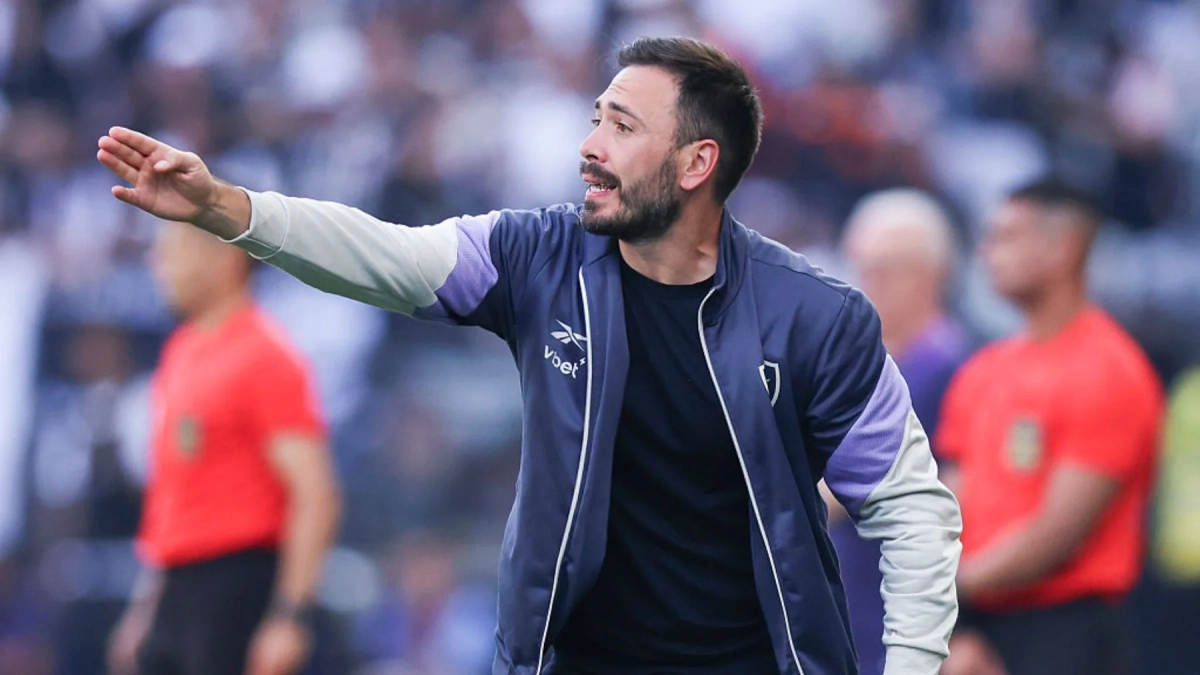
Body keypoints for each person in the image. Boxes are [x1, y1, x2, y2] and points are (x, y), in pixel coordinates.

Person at [97, 36, 961, 675]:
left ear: (699, 162)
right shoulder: (536, 259)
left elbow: (914, 512)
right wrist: (226, 206)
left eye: (621, 127)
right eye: (594, 120)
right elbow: (385, 254)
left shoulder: (815, 318)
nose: (589, 145)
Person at [936, 178, 1164, 675]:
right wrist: (960, 628)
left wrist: (946, 592)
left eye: (1007, 237)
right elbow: (952, 508)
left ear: (1063, 247)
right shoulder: (983, 372)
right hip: (975, 622)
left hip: (1067, 630)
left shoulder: (1110, 371)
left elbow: (1058, 534)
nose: (989, 253)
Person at [105, 221, 342, 675]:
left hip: (238, 586)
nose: (161, 266)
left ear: (226, 260)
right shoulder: (182, 351)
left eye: (173, 251)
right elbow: (176, 499)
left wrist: (290, 616)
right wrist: (149, 607)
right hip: (179, 586)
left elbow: (315, 493)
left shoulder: (265, 356)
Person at [822, 189, 972, 675]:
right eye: (861, 268)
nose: (867, 284)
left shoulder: (948, 367)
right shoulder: (862, 365)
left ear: (933, 274)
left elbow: (957, 501)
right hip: (854, 615)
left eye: (884, 269)